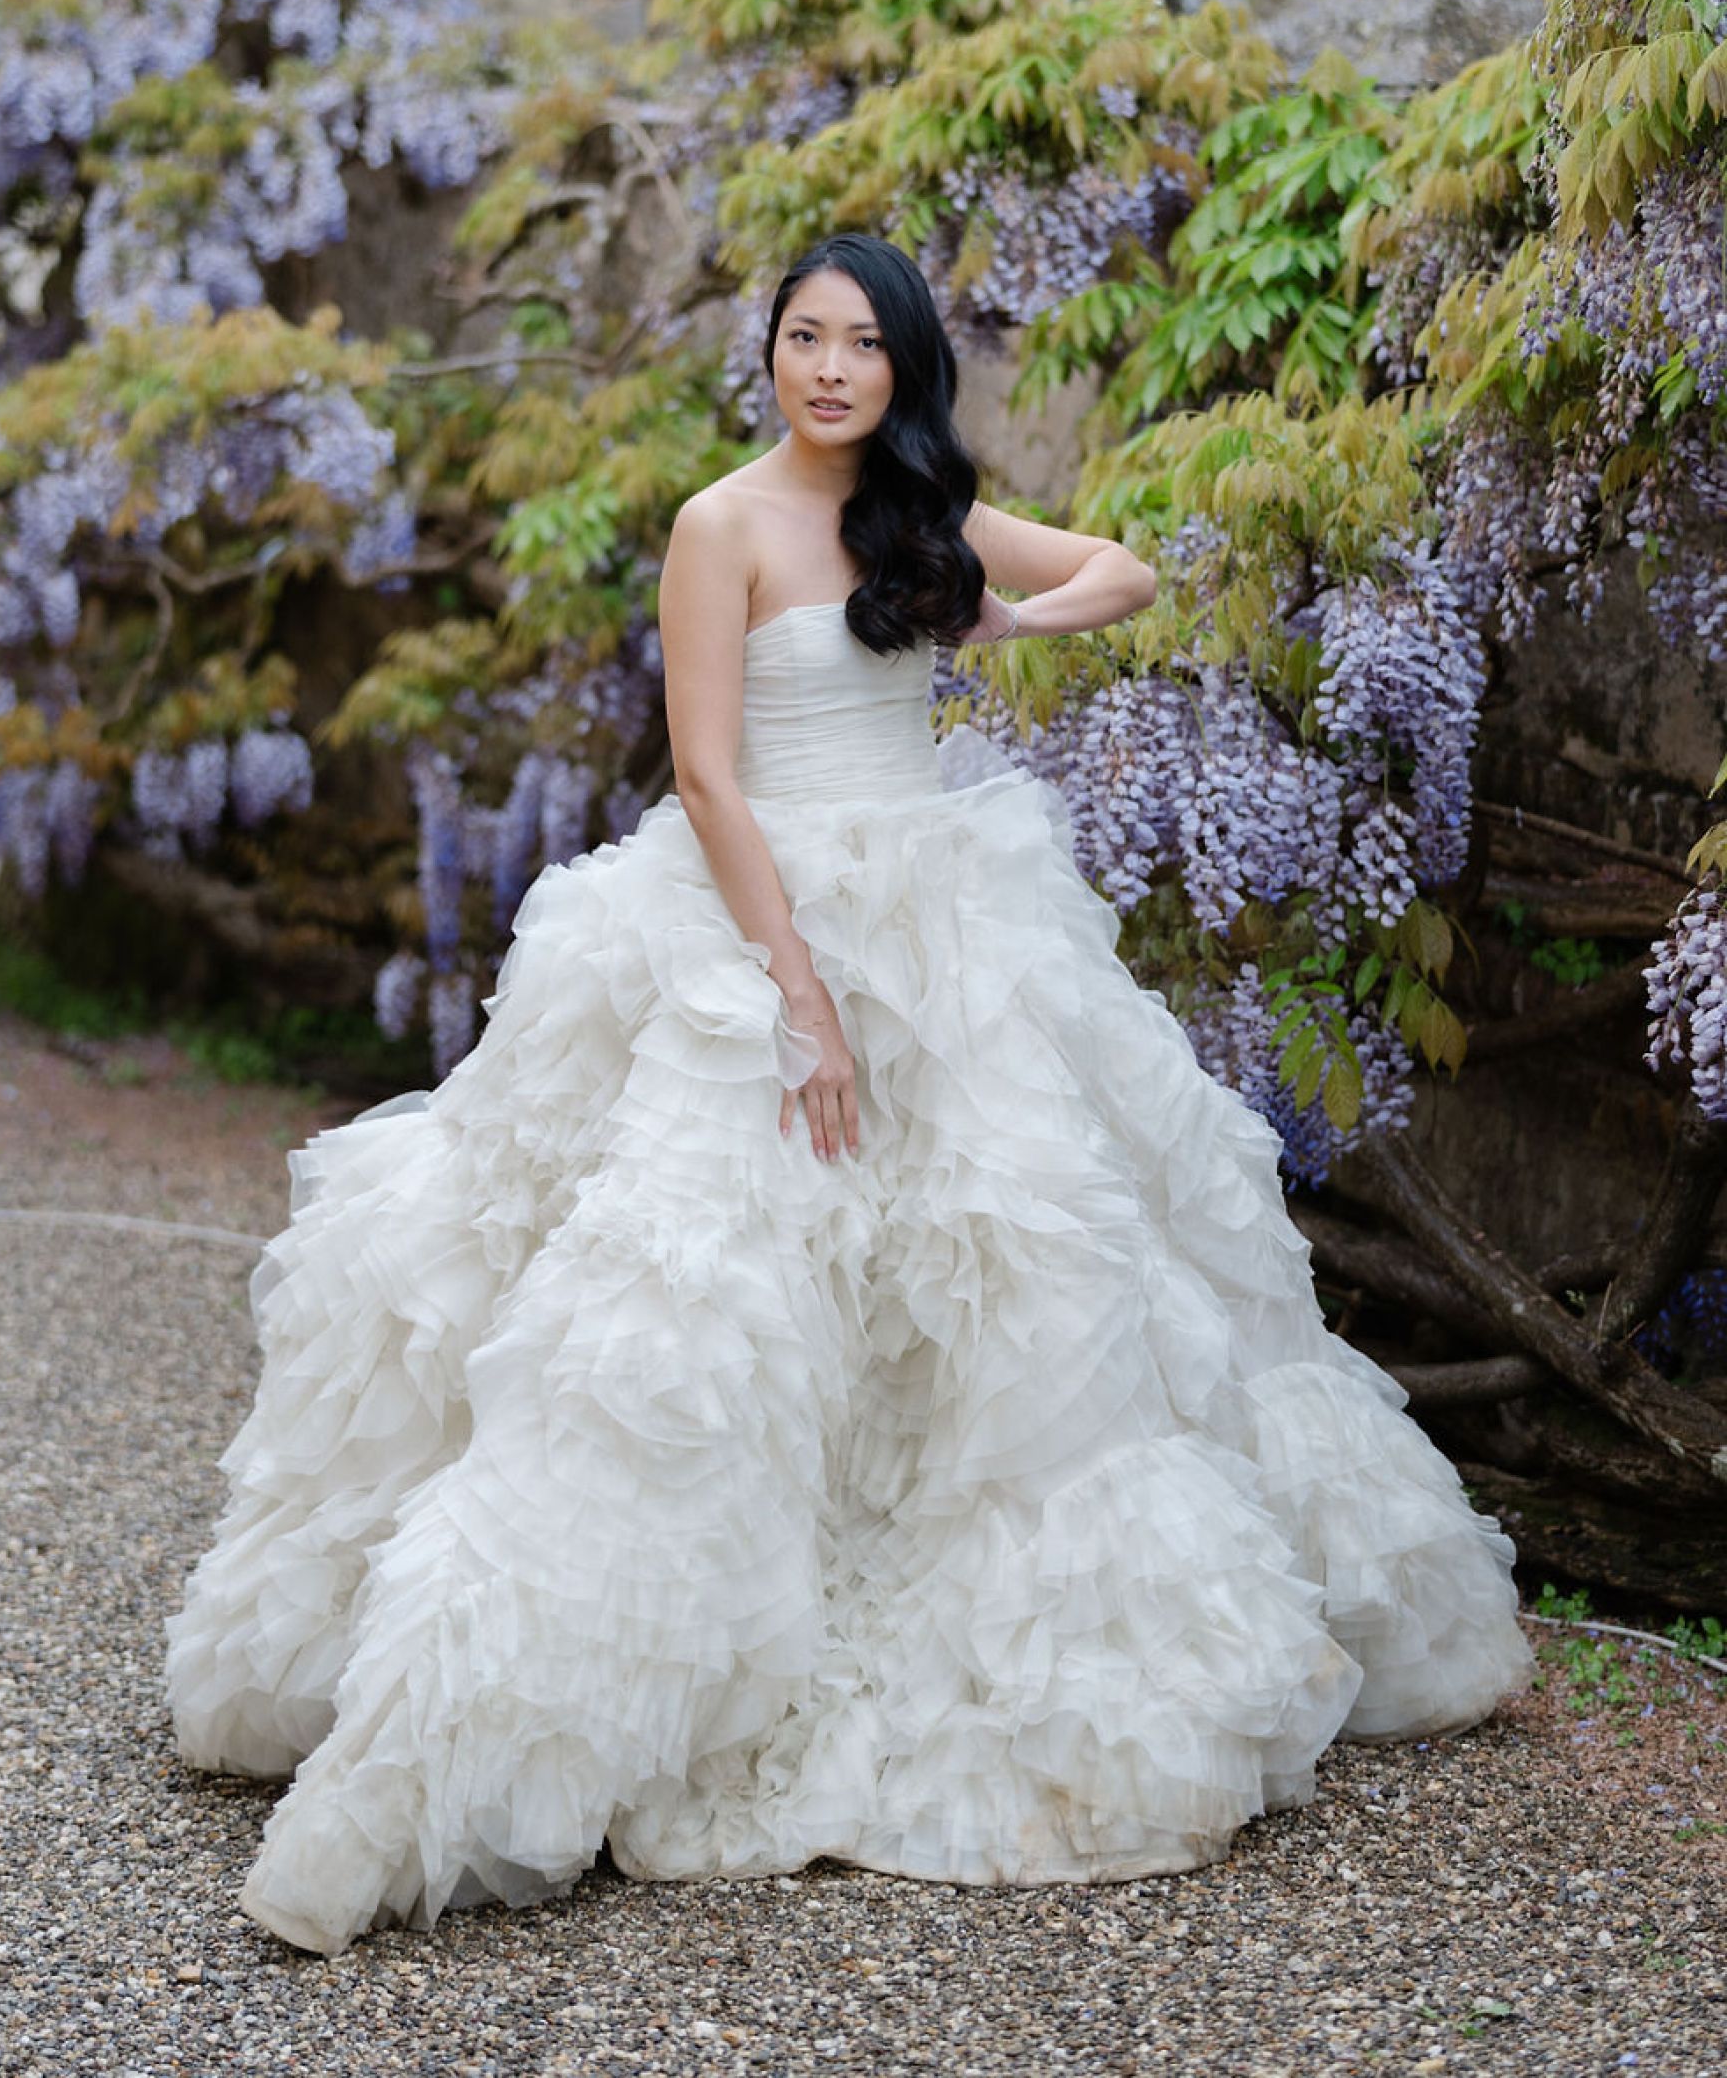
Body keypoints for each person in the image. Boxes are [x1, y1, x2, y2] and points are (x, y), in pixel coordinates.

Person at [165, 231, 1534, 1958]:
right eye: (803, 339)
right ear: (771, 356)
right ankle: (497, 1722)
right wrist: (799, 998)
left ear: (902, 368)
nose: (829, 368)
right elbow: (711, 778)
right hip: (752, 934)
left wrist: (1010, 607)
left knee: (1004, 1283)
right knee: (684, 1301)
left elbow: (1127, 571)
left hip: (948, 920)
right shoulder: (719, 525)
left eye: (861, 344)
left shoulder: (920, 519)